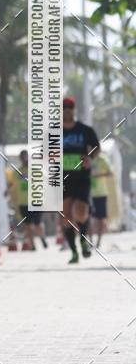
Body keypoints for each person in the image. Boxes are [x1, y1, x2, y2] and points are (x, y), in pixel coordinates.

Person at [62, 96, 100, 264]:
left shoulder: (85, 130)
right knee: (66, 216)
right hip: (62, 177)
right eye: (64, 107)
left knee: (81, 212)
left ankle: (84, 240)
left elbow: (97, 148)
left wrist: (89, 157)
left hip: (81, 176)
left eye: (70, 106)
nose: (67, 110)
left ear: (74, 109)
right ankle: (74, 252)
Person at [17, 149, 48, 250]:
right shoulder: (18, 171)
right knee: (28, 225)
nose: (24, 159)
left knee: (38, 224)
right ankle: (32, 245)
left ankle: (42, 237)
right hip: (23, 202)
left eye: (25, 157)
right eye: (22, 158)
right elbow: (13, 184)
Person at [90, 150, 113, 250]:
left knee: (100, 219)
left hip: (101, 193)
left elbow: (110, 174)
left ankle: (98, 242)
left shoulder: (102, 160)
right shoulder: (86, 159)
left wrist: (98, 176)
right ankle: (90, 241)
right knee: (89, 219)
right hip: (88, 193)